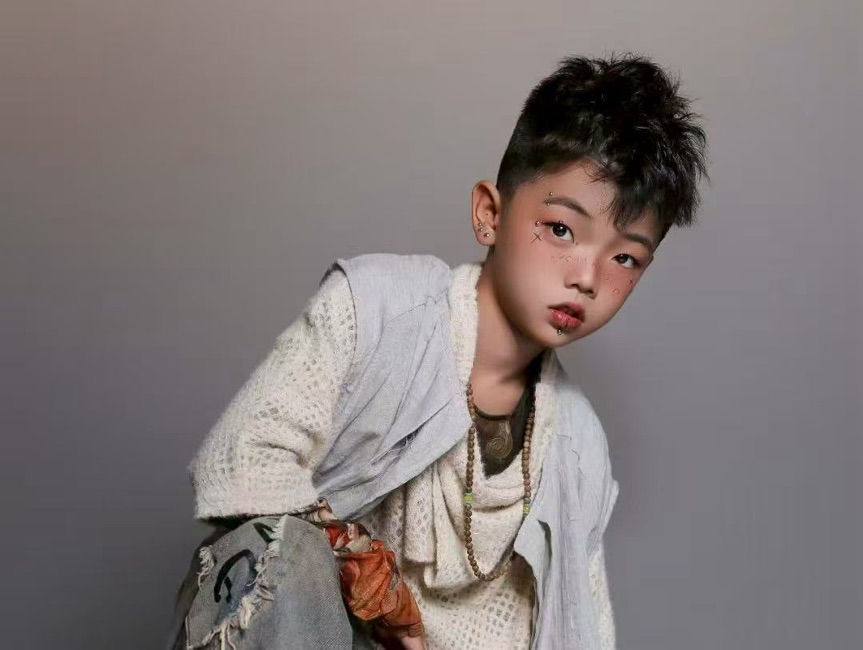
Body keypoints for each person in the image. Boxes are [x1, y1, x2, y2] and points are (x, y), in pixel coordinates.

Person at [167, 53, 708, 650]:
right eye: (561, 229)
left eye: (625, 257)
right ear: (490, 214)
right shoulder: (377, 311)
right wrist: (359, 565)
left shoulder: (577, 446)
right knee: (288, 551)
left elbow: (583, 626)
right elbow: (240, 460)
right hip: (302, 631)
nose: (587, 277)